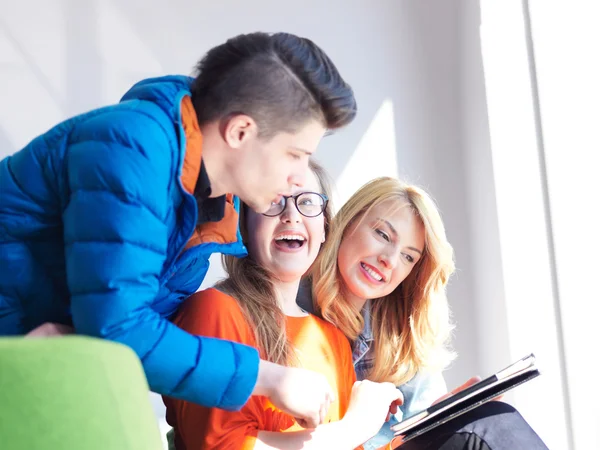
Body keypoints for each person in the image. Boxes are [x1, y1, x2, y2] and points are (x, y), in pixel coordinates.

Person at [0, 31, 356, 426]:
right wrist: (268, 377)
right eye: (295, 154)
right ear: (240, 131)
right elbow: (119, 329)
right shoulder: (134, 147)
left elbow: (141, 345)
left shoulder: (208, 220)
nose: (299, 177)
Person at [163, 161, 402, 449]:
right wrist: (353, 427)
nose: (292, 215)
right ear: (246, 226)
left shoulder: (334, 340)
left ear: (325, 228)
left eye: (308, 202)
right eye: (273, 201)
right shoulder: (213, 310)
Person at [301, 177, 548, 449]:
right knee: (491, 425)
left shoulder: (401, 344)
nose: (390, 260)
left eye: (408, 256)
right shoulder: (290, 310)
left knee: (489, 417)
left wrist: (438, 419)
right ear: (347, 223)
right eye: (382, 235)